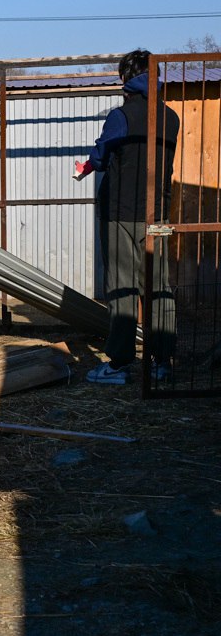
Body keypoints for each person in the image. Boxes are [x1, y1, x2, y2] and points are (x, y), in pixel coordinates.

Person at [84, 49, 179, 384]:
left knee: (123, 287)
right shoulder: (172, 117)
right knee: (159, 287)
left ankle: (120, 364)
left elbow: (99, 156)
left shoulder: (120, 117)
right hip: (160, 216)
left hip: (121, 214)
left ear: (126, 79)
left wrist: (89, 165)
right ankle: (162, 361)